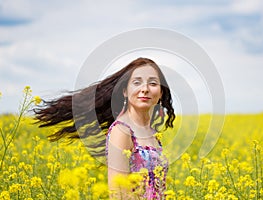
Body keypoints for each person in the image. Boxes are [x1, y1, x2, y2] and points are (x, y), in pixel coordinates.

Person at [34, 57, 176, 199]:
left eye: (152, 83)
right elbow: (118, 194)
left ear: (161, 92)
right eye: (137, 82)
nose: (145, 89)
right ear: (125, 91)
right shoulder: (122, 131)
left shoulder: (152, 133)